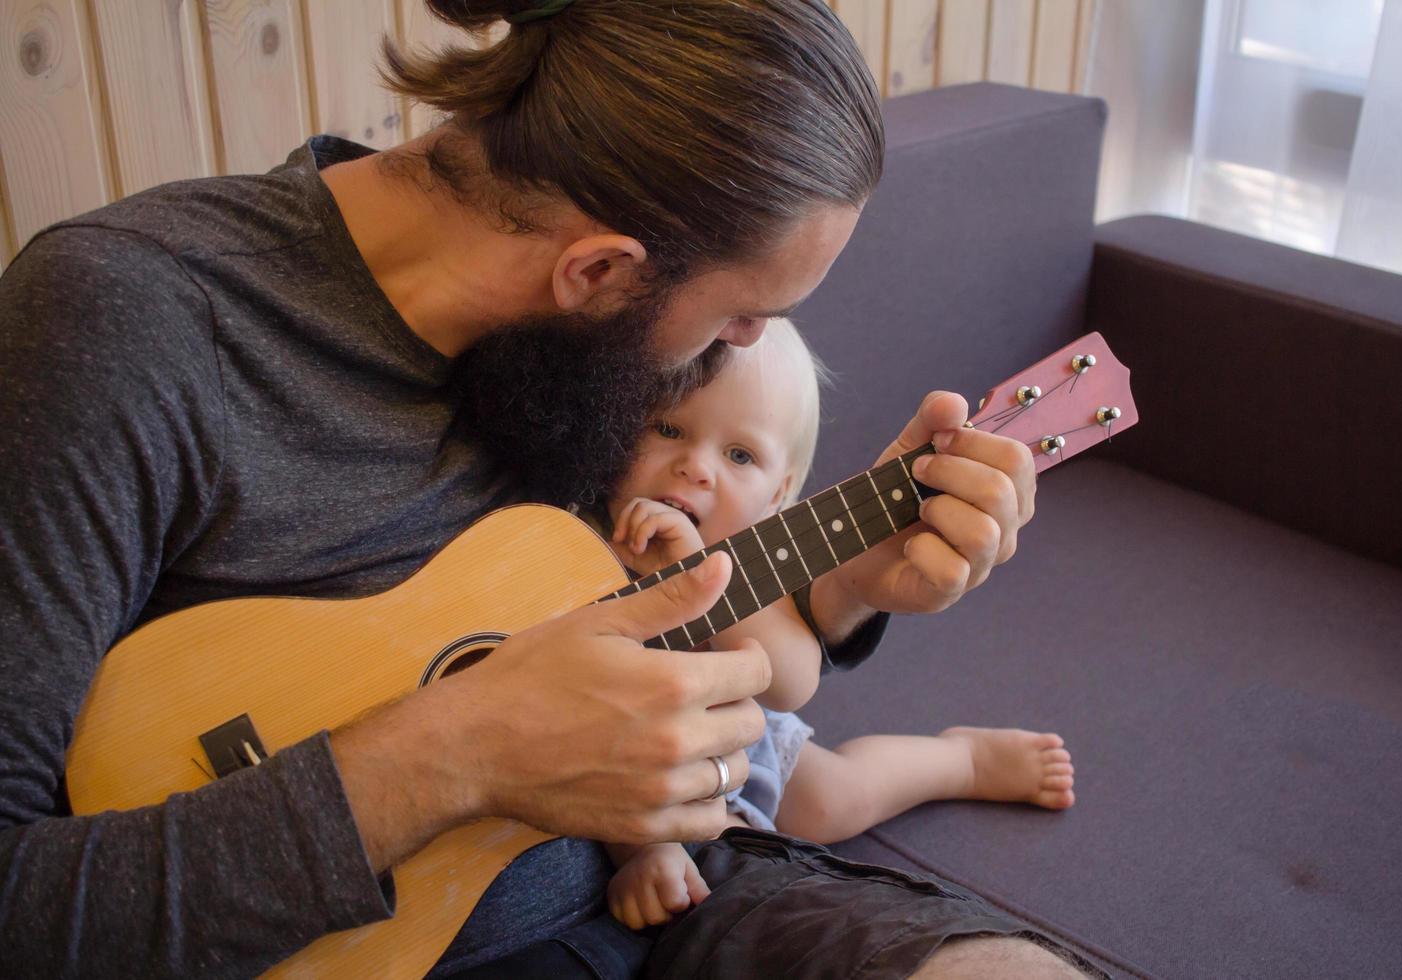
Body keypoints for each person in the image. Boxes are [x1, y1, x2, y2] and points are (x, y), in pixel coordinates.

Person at [0, 1, 1095, 977]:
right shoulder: (130, 323)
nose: (739, 354)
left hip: (671, 892)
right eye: (733, 320)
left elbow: (631, 601)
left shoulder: (566, 353)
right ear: (599, 272)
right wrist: (458, 752)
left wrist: (847, 583)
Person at [599, 319, 1077, 933]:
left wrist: (697, 577)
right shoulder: (563, 539)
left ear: (780, 496)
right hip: (637, 776)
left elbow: (789, 683)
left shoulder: (739, 565)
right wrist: (648, 852)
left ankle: (960, 760)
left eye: (739, 455)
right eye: (668, 429)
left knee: (835, 799)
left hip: (745, 747)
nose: (695, 467)